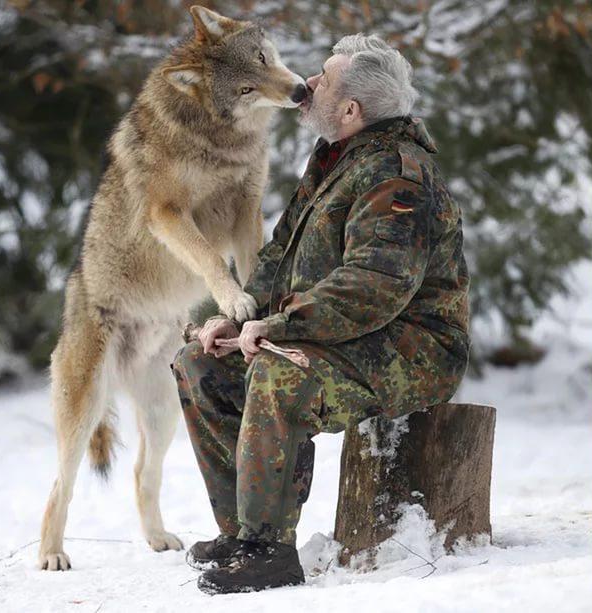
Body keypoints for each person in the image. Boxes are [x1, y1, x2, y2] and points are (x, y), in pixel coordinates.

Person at [170, 33, 470, 595]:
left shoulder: (396, 176)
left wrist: (279, 328)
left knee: (280, 372)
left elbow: (373, 288)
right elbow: (278, 255)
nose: (307, 85)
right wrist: (237, 316)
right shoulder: (336, 157)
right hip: (341, 335)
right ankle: (241, 534)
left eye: (324, 79)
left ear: (351, 110)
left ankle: (268, 550)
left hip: (413, 348)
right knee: (198, 364)